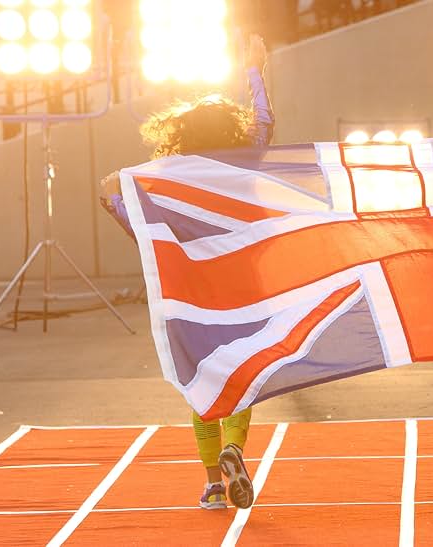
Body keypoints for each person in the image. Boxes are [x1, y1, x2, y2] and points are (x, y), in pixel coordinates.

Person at [99, 35, 274, 511]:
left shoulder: (175, 175)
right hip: (247, 283)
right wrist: (254, 69)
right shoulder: (247, 162)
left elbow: (149, 237)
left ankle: (214, 483)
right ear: (233, 131)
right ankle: (235, 450)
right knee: (241, 375)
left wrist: (113, 202)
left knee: (201, 377)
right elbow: (264, 120)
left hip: (196, 292)